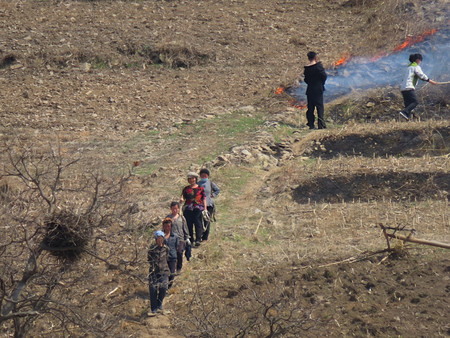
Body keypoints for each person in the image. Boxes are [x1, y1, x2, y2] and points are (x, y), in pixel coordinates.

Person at [399, 53, 436, 120]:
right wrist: (430, 81)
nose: (420, 62)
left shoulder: (408, 68)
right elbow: (421, 75)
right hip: (409, 87)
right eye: (420, 60)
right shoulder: (415, 67)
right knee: (415, 102)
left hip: (403, 88)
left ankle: (407, 118)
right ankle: (404, 112)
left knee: (408, 104)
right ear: (417, 60)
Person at [180, 172, 207, 247]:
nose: (192, 180)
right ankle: (191, 240)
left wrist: (205, 208)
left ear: (196, 179)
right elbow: (182, 197)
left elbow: (204, 198)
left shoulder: (200, 188)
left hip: (198, 208)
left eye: (193, 178)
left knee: (198, 223)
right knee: (189, 224)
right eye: (190, 179)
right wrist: (181, 199)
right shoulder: (186, 189)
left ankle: (198, 239)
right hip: (188, 209)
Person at [147, 230, 170, 316]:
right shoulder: (152, 249)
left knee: (163, 288)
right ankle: (154, 308)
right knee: (153, 289)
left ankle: (159, 303)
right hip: (153, 272)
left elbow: (167, 257)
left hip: (164, 271)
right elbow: (149, 259)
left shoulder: (166, 248)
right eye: (158, 239)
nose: (160, 240)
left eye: (161, 238)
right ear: (156, 239)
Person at [303, 51, 327, 129]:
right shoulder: (318, 66)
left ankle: (311, 124)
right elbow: (324, 76)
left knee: (310, 108)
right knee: (320, 107)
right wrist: (321, 83)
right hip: (318, 89)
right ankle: (321, 125)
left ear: (308, 58)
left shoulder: (307, 68)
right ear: (315, 58)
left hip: (310, 90)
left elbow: (306, 80)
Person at [166, 202, 190, 273]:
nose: (175, 210)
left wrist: (187, 238)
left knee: (179, 252)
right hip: (171, 239)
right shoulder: (168, 218)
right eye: (173, 209)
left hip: (180, 239)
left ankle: (179, 267)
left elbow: (185, 228)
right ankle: (172, 269)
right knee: (172, 254)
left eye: (176, 209)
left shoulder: (182, 218)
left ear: (178, 209)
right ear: (171, 209)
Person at [197, 168, 220, 241]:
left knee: (207, 221)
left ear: (208, 176)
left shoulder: (210, 183)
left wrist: (213, 195)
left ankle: (205, 238)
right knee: (199, 221)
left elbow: (217, 190)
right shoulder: (197, 184)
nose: (204, 176)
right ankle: (199, 236)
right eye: (202, 175)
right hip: (199, 205)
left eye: (205, 175)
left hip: (209, 204)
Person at [161, 218, 180, 289]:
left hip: (172, 257)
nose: (167, 228)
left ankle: (169, 286)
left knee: (172, 273)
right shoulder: (161, 236)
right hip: (163, 258)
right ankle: (164, 287)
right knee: (164, 273)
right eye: (165, 226)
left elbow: (176, 246)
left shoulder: (175, 236)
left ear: (171, 226)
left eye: (168, 226)